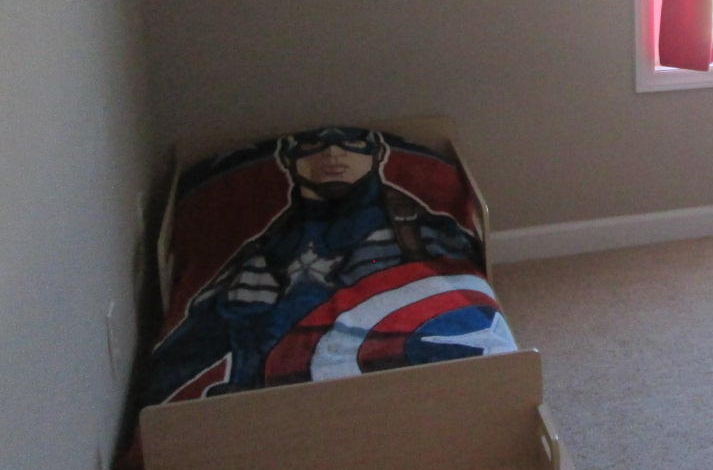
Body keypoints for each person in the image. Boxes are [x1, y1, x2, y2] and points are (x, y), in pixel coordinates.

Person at [144, 127, 484, 401]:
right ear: (289, 161)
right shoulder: (259, 258)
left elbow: (457, 289)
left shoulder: (416, 230)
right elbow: (198, 336)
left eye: (353, 145)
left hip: (407, 381)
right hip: (267, 405)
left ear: (377, 155)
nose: (334, 155)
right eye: (313, 149)